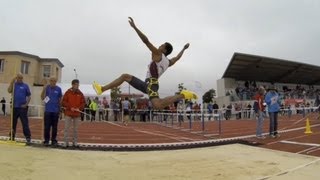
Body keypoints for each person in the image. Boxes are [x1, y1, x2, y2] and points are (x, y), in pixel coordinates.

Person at [92, 17, 197, 109]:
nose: (159, 46)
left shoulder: (158, 54)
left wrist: (135, 27)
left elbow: (146, 41)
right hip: (150, 84)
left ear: (164, 50)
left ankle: (182, 95)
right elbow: (177, 58)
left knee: (157, 105)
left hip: (151, 84)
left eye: (162, 45)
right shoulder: (168, 62)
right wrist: (184, 48)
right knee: (126, 77)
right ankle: (102, 88)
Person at [7, 73, 32, 144]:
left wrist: (26, 104)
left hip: (22, 108)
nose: (20, 79)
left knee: (25, 123)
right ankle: (12, 136)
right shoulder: (14, 85)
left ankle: (28, 137)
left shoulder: (25, 86)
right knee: (13, 123)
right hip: (14, 107)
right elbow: (9, 90)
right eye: (18, 78)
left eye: (21, 78)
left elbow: (29, 96)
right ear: (16, 78)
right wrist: (12, 81)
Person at [61, 79, 85, 147]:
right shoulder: (68, 92)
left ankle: (75, 142)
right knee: (66, 128)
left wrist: (79, 108)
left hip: (77, 114)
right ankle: (66, 142)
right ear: (73, 85)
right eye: (76, 85)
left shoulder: (80, 93)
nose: (78, 86)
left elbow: (83, 103)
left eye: (78, 85)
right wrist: (70, 107)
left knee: (76, 129)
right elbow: (63, 102)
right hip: (68, 113)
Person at [40, 77, 62, 146]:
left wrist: (60, 111)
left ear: (56, 81)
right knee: (47, 127)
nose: (53, 82)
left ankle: (53, 140)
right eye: (51, 81)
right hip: (47, 111)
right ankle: (46, 140)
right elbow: (42, 97)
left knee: (54, 127)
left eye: (54, 81)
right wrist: (44, 88)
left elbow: (60, 100)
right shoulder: (47, 88)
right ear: (50, 81)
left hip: (55, 111)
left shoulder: (58, 89)